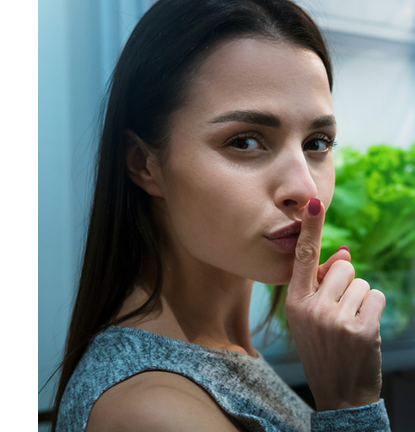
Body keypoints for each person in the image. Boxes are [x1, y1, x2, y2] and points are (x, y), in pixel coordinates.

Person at [51, 1, 390, 431]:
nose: (304, 189)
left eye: (317, 143)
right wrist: (349, 403)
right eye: (245, 142)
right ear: (143, 163)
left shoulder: (223, 349)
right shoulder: (151, 411)